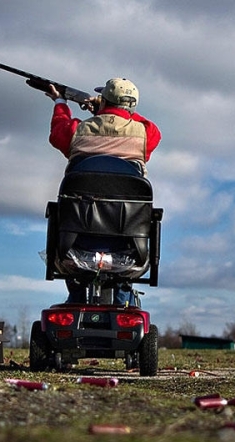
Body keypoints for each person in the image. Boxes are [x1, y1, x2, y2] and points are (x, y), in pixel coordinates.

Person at [45, 78, 161, 304]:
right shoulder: (144, 133)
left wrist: (60, 101)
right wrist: (112, 109)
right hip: (128, 241)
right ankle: (123, 301)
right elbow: (149, 126)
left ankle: (77, 296)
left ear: (104, 99)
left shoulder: (78, 130)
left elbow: (58, 130)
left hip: (75, 241)